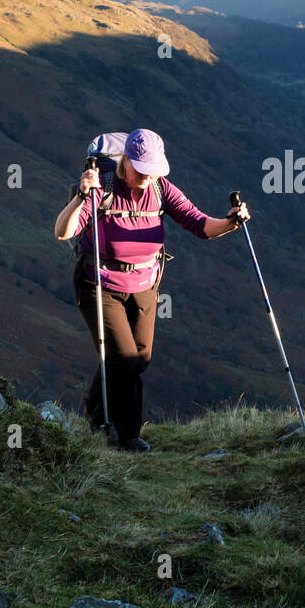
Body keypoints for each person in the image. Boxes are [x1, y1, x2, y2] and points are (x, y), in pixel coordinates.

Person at [53, 128, 249, 451]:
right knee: (125, 358)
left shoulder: (160, 188)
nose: (147, 177)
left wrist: (230, 223)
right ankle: (128, 437)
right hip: (100, 285)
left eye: (153, 171)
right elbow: (63, 231)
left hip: (145, 284)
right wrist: (79, 197)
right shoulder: (100, 190)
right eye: (141, 170)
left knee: (138, 357)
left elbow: (198, 223)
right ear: (126, 161)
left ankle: (94, 413)